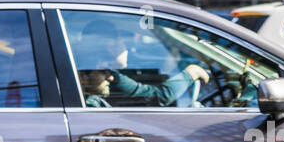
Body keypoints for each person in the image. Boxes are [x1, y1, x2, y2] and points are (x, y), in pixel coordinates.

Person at [77, 16, 210, 106]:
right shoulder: (100, 78)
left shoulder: (94, 71)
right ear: (109, 45)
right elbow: (157, 97)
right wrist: (191, 73)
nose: (124, 46)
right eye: (120, 40)